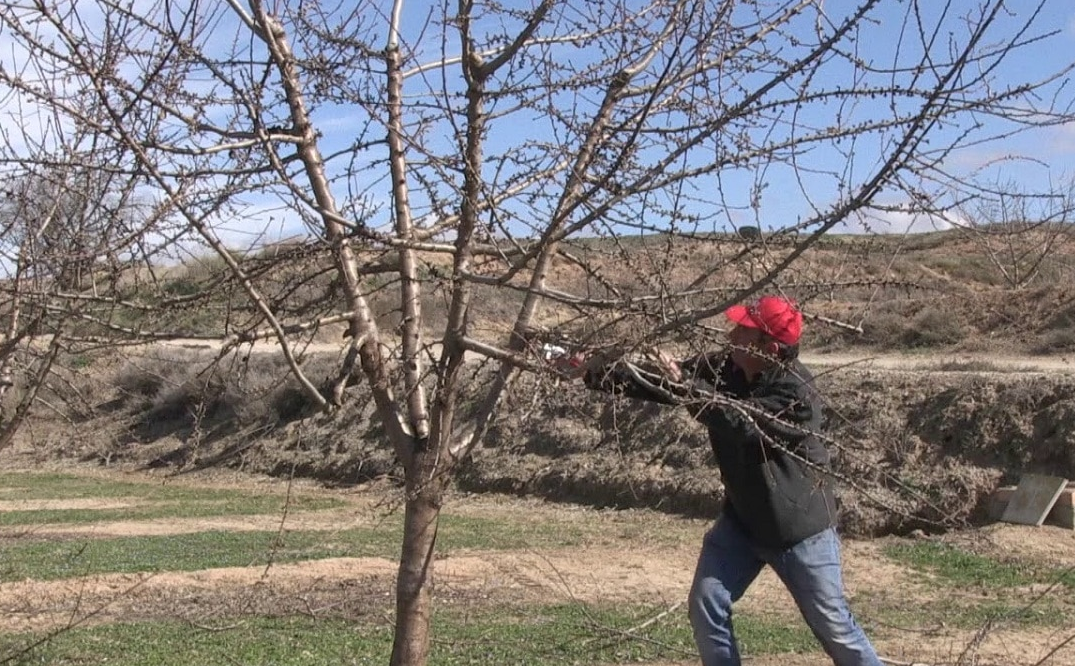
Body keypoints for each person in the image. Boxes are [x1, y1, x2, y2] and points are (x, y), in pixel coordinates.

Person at [555, 295, 882, 666]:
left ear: (769, 348)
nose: (730, 335)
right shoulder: (727, 366)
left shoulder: (797, 395)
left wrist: (689, 388)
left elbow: (740, 422)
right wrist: (592, 371)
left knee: (836, 630)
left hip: (799, 534)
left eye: (743, 329)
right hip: (742, 524)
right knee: (706, 607)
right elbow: (663, 383)